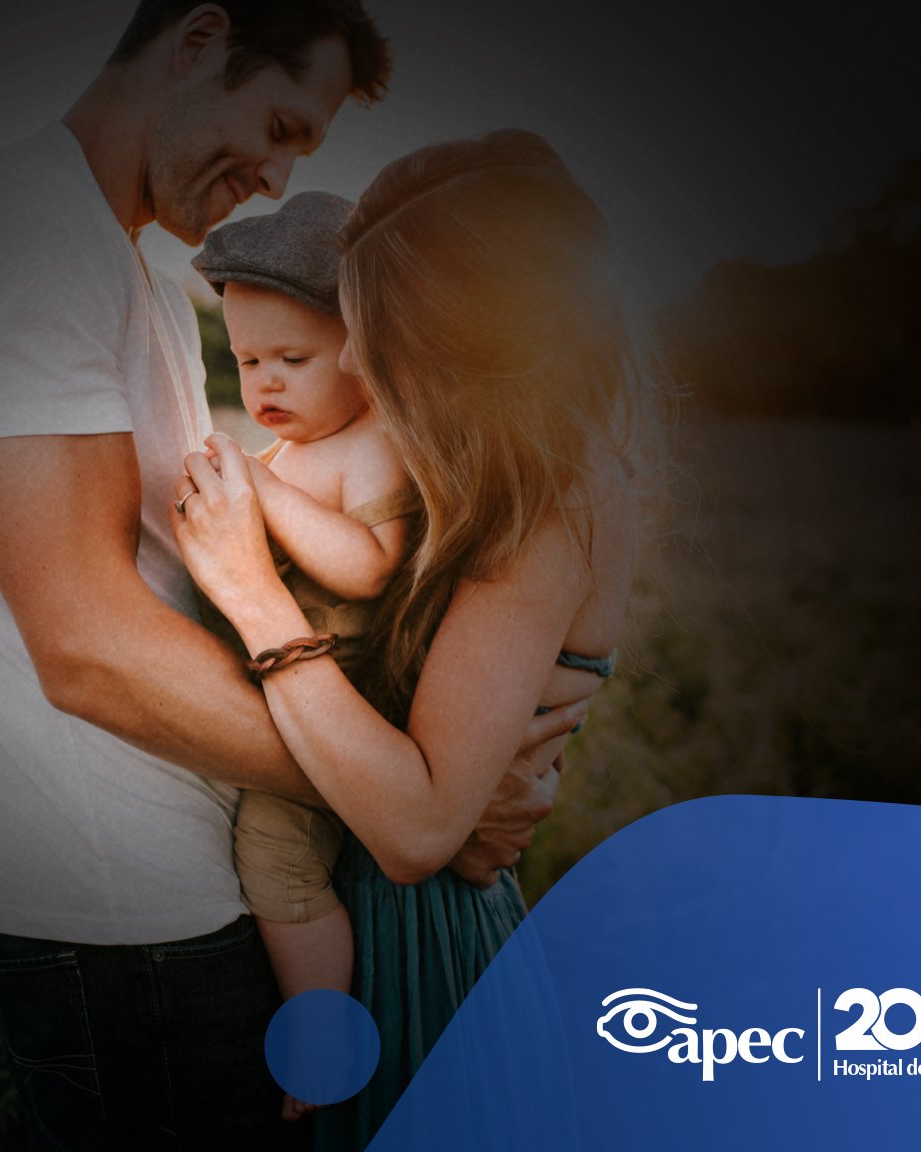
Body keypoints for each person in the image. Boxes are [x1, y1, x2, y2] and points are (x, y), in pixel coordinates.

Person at [0, 3, 586, 1145]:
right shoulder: (26, 231)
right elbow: (90, 649)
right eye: (279, 122)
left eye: (303, 148)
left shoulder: (133, 277)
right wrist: (412, 804)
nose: (277, 173)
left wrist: (424, 784)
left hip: (200, 886)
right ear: (199, 36)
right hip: (131, 909)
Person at [171, 128, 646, 1147]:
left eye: (393, 358)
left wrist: (257, 601)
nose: (376, 392)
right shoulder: (475, 479)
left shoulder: (548, 506)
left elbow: (423, 827)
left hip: (420, 951)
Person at [190, 190, 417, 1120]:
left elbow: (368, 567)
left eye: (293, 358)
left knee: (276, 861)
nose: (266, 385)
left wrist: (260, 493)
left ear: (365, 354)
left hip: (342, 710)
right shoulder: (297, 449)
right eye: (248, 362)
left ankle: (324, 1043)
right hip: (286, 695)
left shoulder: (373, 445)